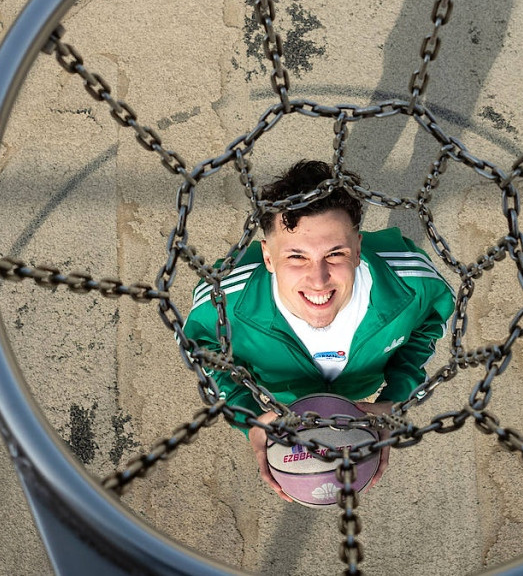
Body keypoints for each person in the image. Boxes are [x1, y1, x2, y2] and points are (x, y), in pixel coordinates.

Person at [183, 160, 455, 501]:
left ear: (357, 248)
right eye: (297, 256)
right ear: (267, 256)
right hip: (284, 395)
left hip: (361, 389)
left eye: (335, 253)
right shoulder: (221, 299)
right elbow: (201, 349)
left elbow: (427, 326)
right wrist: (248, 415)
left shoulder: (413, 283)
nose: (318, 279)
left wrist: (395, 397)